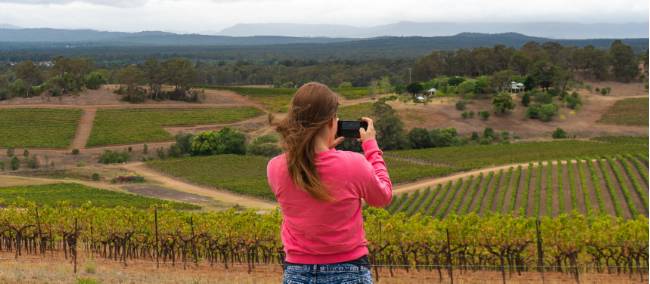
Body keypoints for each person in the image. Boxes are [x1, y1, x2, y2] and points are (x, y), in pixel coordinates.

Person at [267, 82, 393, 284]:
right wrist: (371, 148)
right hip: (350, 270)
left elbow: (310, 170)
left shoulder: (275, 168)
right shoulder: (353, 164)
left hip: (297, 273)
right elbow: (383, 197)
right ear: (330, 122)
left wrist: (322, 147)